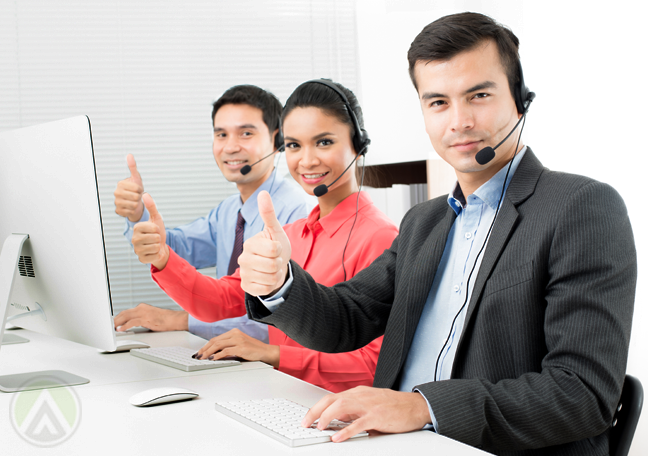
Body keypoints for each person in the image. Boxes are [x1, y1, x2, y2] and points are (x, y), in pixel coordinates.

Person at [238, 12, 637, 455]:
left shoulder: (579, 207)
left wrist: (423, 407)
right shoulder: (424, 222)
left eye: (479, 95)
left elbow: (583, 393)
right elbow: (348, 319)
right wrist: (279, 284)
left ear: (520, 100)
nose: (459, 121)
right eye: (438, 102)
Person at [124, 80, 398, 393]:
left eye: (323, 142)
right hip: (285, 395)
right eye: (295, 145)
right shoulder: (291, 235)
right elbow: (221, 300)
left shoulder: (380, 237)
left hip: (340, 410)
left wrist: (273, 355)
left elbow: (375, 365)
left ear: (358, 145)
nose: (306, 160)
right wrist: (163, 257)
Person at [113, 85, 313, 341]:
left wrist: (179, 320)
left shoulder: (297, 211)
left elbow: (286, 319)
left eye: (246, 133)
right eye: (221, 134)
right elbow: (176, 250)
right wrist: (137, 214)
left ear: (277, 139)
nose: (230, 147)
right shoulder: (230, 210)